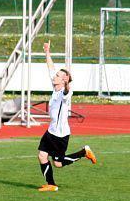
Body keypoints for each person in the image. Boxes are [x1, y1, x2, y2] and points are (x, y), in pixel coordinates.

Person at [37, 41, 96, 192]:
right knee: (42, 156)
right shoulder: (55, 87)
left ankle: (84, 152)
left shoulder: (65, 93)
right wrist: (47, 52)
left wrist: (67, 84)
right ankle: (51, 184)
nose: (54, 76)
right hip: (51, 131)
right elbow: (50, 67)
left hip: (60, 135)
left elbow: (67, 91)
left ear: (63, 81)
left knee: (58, 163)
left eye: (58, 76)